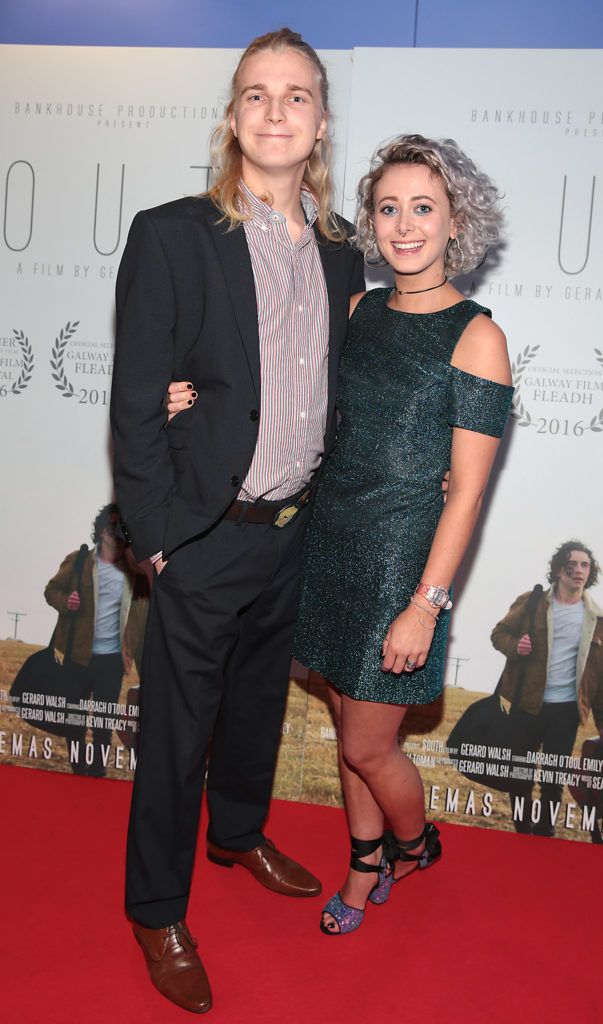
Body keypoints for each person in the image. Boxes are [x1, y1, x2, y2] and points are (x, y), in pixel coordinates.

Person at [110, 29, 364, 1014]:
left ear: (320, 121)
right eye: (256, 95)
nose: (274, 112)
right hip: (204, 533)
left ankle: (240, 832)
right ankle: (156, 907)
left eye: (294, 96)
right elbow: (137, 405)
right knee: (178, 730)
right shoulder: (173, 234)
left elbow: (320, 389)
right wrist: (161, 536)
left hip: (294, 529)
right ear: (231, 115)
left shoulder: (343, 253)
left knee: (257, 702)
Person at [291, 134, 514, 935]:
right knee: (349, 726)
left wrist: (425, 604)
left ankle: (412, 844)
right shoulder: (357, 311)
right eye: (388, 208)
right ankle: (364, 859)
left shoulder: (477, 338)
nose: (404, 224)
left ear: (456, 221)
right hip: (331, 546)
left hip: (401, 564)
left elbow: (467, 496)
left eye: (423, 207)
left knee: (367, 744)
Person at [491, 541, 603, 836]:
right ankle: (523, 831)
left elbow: (598, 677)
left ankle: (545, 834)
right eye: (572, 564)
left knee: (554, 778)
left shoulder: (597, 619)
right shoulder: (532, 602)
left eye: (585, 565)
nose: (579, 570)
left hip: (566, 711)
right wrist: (516, 647)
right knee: (520, 775)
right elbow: (498, 633)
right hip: (526, 705)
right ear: (558, 569)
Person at [44, 503, 148, 776]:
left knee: (105, 720)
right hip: (77, 656)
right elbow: (51, 590)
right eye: (111, 528)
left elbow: (139, 622)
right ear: (100, 531)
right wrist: (67, 601)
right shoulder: (79, 562)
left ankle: (98, 769)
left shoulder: (135, 575)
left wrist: (138, 662)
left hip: (112, 661)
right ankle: (79, 769)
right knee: (74, 718)